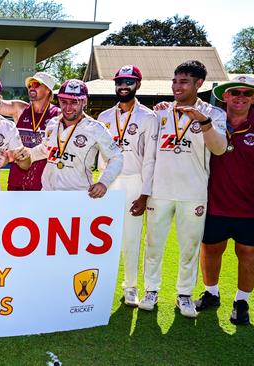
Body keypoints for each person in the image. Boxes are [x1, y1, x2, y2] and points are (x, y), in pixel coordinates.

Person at [138, 60, 227, 318]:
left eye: (184, 81)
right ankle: (151, 290)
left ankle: (184, 294)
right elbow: (150, 155)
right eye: (175, 81)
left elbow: (220, 149)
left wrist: (205, 122)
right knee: (153, 244)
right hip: (160, 191)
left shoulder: (214, 114)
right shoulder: (161, 113)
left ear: (199, 84)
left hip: (193, 193)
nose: (177, 86)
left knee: (189, 247)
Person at [195, 76, 254, 325]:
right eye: (235, 92)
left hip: (251, 207)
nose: (241, 97)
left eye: (247, 93)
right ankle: (211, 293)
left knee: (249, 252)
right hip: (213, 203)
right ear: (225, 95)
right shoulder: (211, 120)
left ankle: (242, 301)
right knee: (211, 249)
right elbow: (183, 103)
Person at [97, 65, 158, 307]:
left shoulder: (148, 117)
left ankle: (130, 286)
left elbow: (151, 157)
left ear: (138, 85)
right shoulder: (103, 118)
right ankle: (100, 285)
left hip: (134, 182)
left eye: (129, 82)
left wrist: (144, 194)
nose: (124, 86)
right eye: (120, 82)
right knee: (102, 237)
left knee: (131, 238)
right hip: (107, 183)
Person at [18, 79, 123, 194]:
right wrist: (28, 153)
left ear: (84, 101)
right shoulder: (53, 123)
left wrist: (104, 182)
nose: (68, 108)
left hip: (77, 196)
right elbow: (45, 149)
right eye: (64, 102)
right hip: (47, 194)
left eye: (74, 102)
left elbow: (116, 157)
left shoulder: (96, 128)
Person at [0, 71, 60, 191]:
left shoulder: (58, 115)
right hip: (17, 178)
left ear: (48, 90)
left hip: (43, 183)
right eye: (30, 85)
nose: (31, 87)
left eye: (36, 84)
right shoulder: (20, 109)